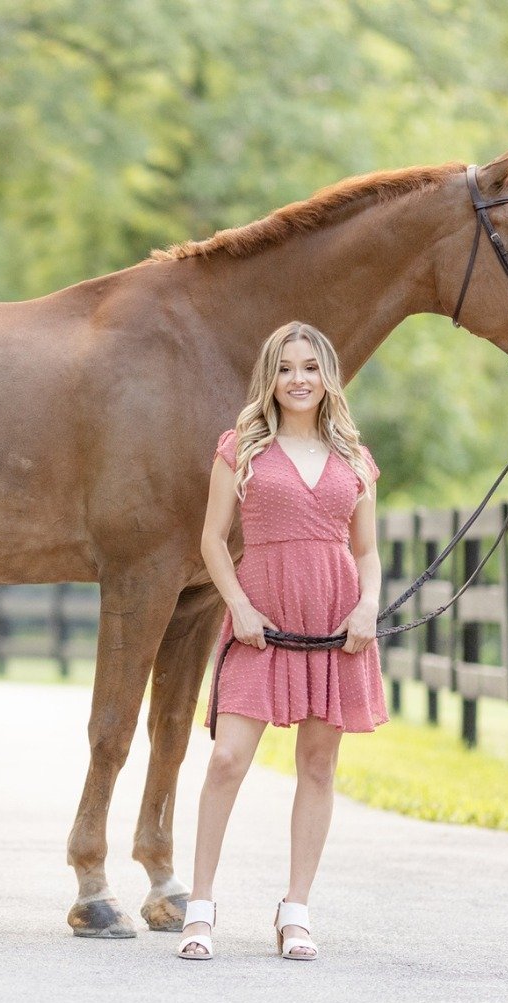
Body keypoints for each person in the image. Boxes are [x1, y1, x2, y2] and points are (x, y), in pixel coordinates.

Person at [177, 321, 388, 962]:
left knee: (318, 765)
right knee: (226, 759)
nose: (299, 379)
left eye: (310, 367)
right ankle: (201, 906)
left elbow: (368, 551)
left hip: (334, 622)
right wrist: (237, 605)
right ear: (269, 378)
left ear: (328, 377)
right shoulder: (239, 445)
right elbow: (213, 539)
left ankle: (295, 910)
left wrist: (367, 606)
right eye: (286, 367)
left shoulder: (353, 455)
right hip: (259, 620)